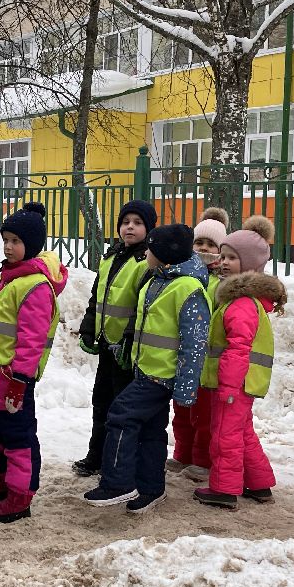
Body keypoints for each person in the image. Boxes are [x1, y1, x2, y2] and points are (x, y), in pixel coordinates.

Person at [84, 223, 210, 514]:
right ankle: (152, 487)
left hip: (160, 375)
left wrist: (186, 388)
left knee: (120, 415)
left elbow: (194, 343)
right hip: (144, 369)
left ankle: (118, 483)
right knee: (152, 430)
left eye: (150, 250)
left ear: (164, 255)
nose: (146, 255)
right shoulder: (156, 280)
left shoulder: (188, 289)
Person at [0, 202, 67, 523]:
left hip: (11, 378)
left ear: (32, 244)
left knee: (17, 436)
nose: (8, 246)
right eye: (5, 239)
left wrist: (21, 379)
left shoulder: (35, 285)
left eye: (16, 241)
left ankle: (19, 495)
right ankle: (1, 480)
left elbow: (31, 340)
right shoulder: (8, 276)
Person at [193, 217, 284, 510]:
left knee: (225, 435)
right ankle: (259, 484)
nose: (223, 262)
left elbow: (238, 349)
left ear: (251, 265)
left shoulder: (242, 303)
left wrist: (229, 387)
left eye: (232, 258)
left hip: (234, 385)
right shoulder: (239, 299)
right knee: (242, 432)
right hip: (240, 383)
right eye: (223, 256)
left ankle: (224, 489)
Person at [72, 200, 155, 478]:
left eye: (138, 223)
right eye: (125, 222)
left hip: (128, 350)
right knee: (101, 403)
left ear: (149, 229)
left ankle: (117, 461)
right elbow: (96, 299)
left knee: (122, 408)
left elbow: (143, 307)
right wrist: (88, 329)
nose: (130, 227)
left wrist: (129, 339)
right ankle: (96, 455)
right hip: (109, 346)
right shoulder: (109, 258)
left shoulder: (146, 263)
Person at [170, 207, 230, 479]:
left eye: (211, 244)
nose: (204, 248)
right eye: (199, 242)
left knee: (204, 415)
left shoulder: (222, 283)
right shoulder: (184, 275)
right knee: (181, 410)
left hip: (207, 361)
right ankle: (182, 454)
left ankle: (203, 460)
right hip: (184, 357)